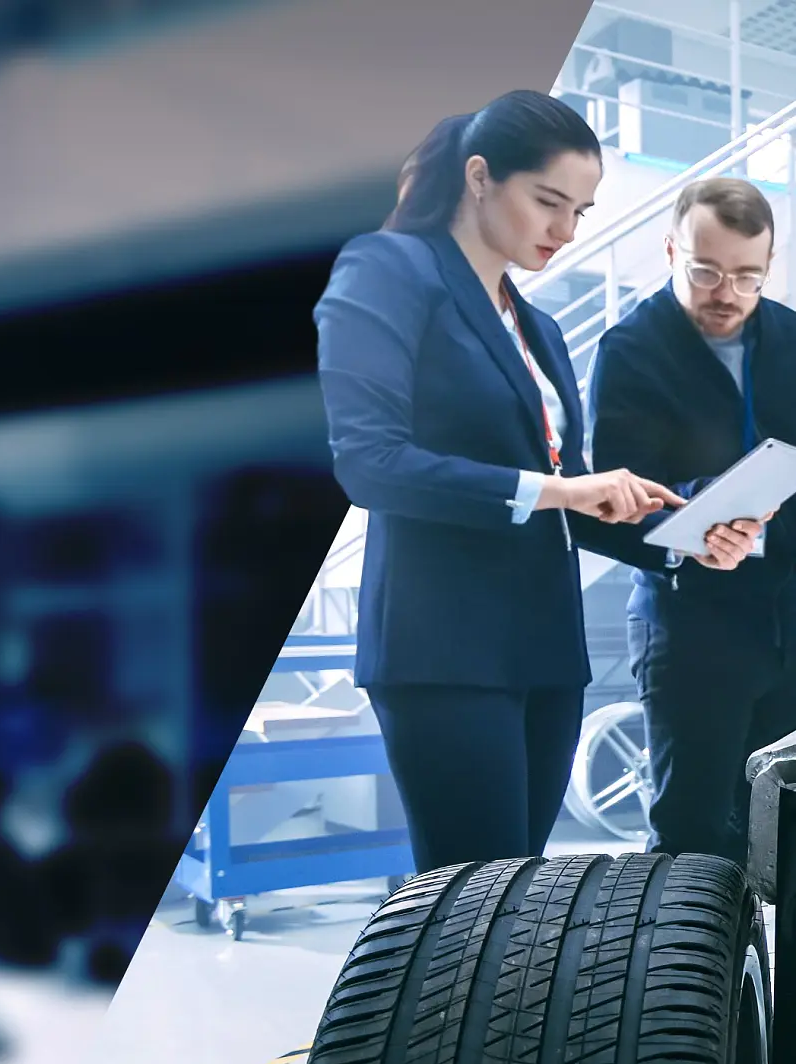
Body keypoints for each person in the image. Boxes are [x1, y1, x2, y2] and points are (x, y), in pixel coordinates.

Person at [313, 91, 762, 876]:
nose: (565, 229)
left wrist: (682, 541)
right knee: (466, 897)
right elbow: (369, 463)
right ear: (478, 177)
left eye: (580, 211)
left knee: (516, 898)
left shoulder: (539, 326)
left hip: (544, 647)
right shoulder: (387, 269)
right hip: (444, 643)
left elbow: (573, 497)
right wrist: (560, 490)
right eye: (547, 201)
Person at [587, 176, 796, 869]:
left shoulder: (792, 337)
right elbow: (608, 503)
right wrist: (696, 523)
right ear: (671, 250)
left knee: (788, 833)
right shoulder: (629, 349)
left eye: (747, 276)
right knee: (694, 838)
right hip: (692, 628)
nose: (726, 294)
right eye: (706, 271)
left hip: (788, 618)